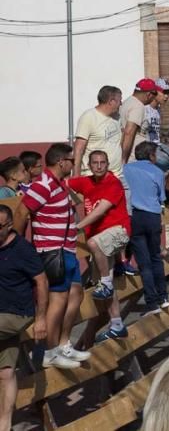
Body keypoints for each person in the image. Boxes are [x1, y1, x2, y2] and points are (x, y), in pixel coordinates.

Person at [21, 144, 92, 369]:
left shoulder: (58, 184)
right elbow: (22, 212)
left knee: (76, 294)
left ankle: (62, 344)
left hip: (66, 249)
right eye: (72, 160)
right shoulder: (42, 184)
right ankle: (49, 352)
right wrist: (22, 245)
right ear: (61, 161)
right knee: (57, 300)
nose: (74, 164)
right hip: (51, 251)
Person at [67, 151, 130, 340]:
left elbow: (99, 211)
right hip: (101, 243)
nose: (99, 166)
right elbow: (62, 182)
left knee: (94, 244)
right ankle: (117, 324)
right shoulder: (85, 182)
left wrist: (76, 228)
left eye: (103, 162)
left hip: (118, 231)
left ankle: (107, 282)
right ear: (90, 164)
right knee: (104, 287)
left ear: (108, 163)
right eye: (95, 163)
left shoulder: (113, 182)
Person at [0, 203, 47, 430]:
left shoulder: (23, 250)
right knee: (6, 372)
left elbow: (42, 282)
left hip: (17, 313)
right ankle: (5, 424)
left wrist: (41, 319)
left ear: (9, 226)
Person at [122, 142, 168, 314]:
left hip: (135, 216)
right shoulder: (158, 172)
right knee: (156, 257)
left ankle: (151, 303)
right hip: (153, 217)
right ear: (151, 155)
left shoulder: (126, 169)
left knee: (144, 263)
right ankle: (163, 297)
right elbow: (160, 197)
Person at [72, 85, 124, 179]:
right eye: (119, 100)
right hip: (94, 177)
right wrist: (76, 175)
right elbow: (79, 148)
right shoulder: (89, 117)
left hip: (117, 176)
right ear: (111, 101)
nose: (121, 103)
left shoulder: (117, 117)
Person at [120, 79, 157, 163]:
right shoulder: (138, 106)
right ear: (149, 94)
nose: (155, 97)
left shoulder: (127, 102)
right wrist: (123, 160)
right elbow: (128, 133)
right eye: (155, 94)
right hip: (133, 158)